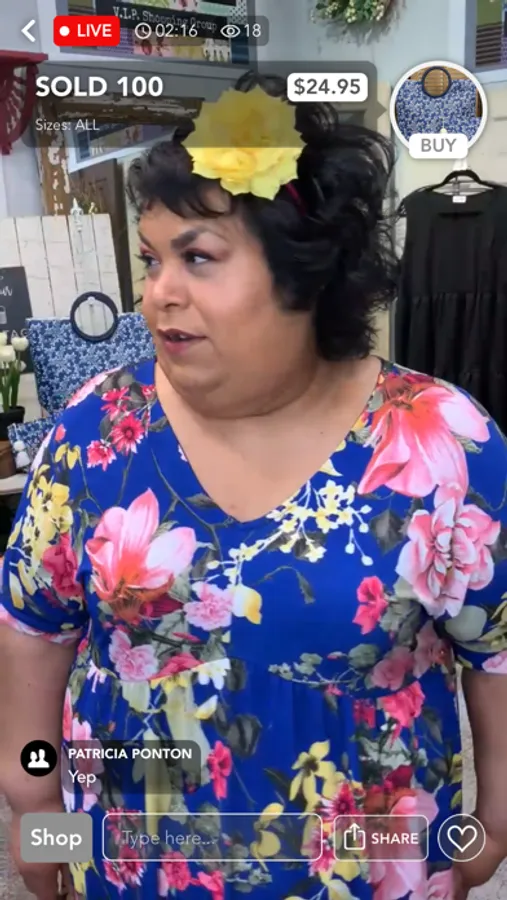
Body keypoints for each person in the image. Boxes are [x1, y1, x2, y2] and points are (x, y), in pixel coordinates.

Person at [1, 72, 507, 900]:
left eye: (198, 258)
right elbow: (33, 627)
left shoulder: (444, 443)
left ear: (306, 273)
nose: (158, 293)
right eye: (152, 259)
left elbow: (496, 654)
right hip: (135, 864)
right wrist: (32, 801)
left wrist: (492, 827)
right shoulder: (96, 429)